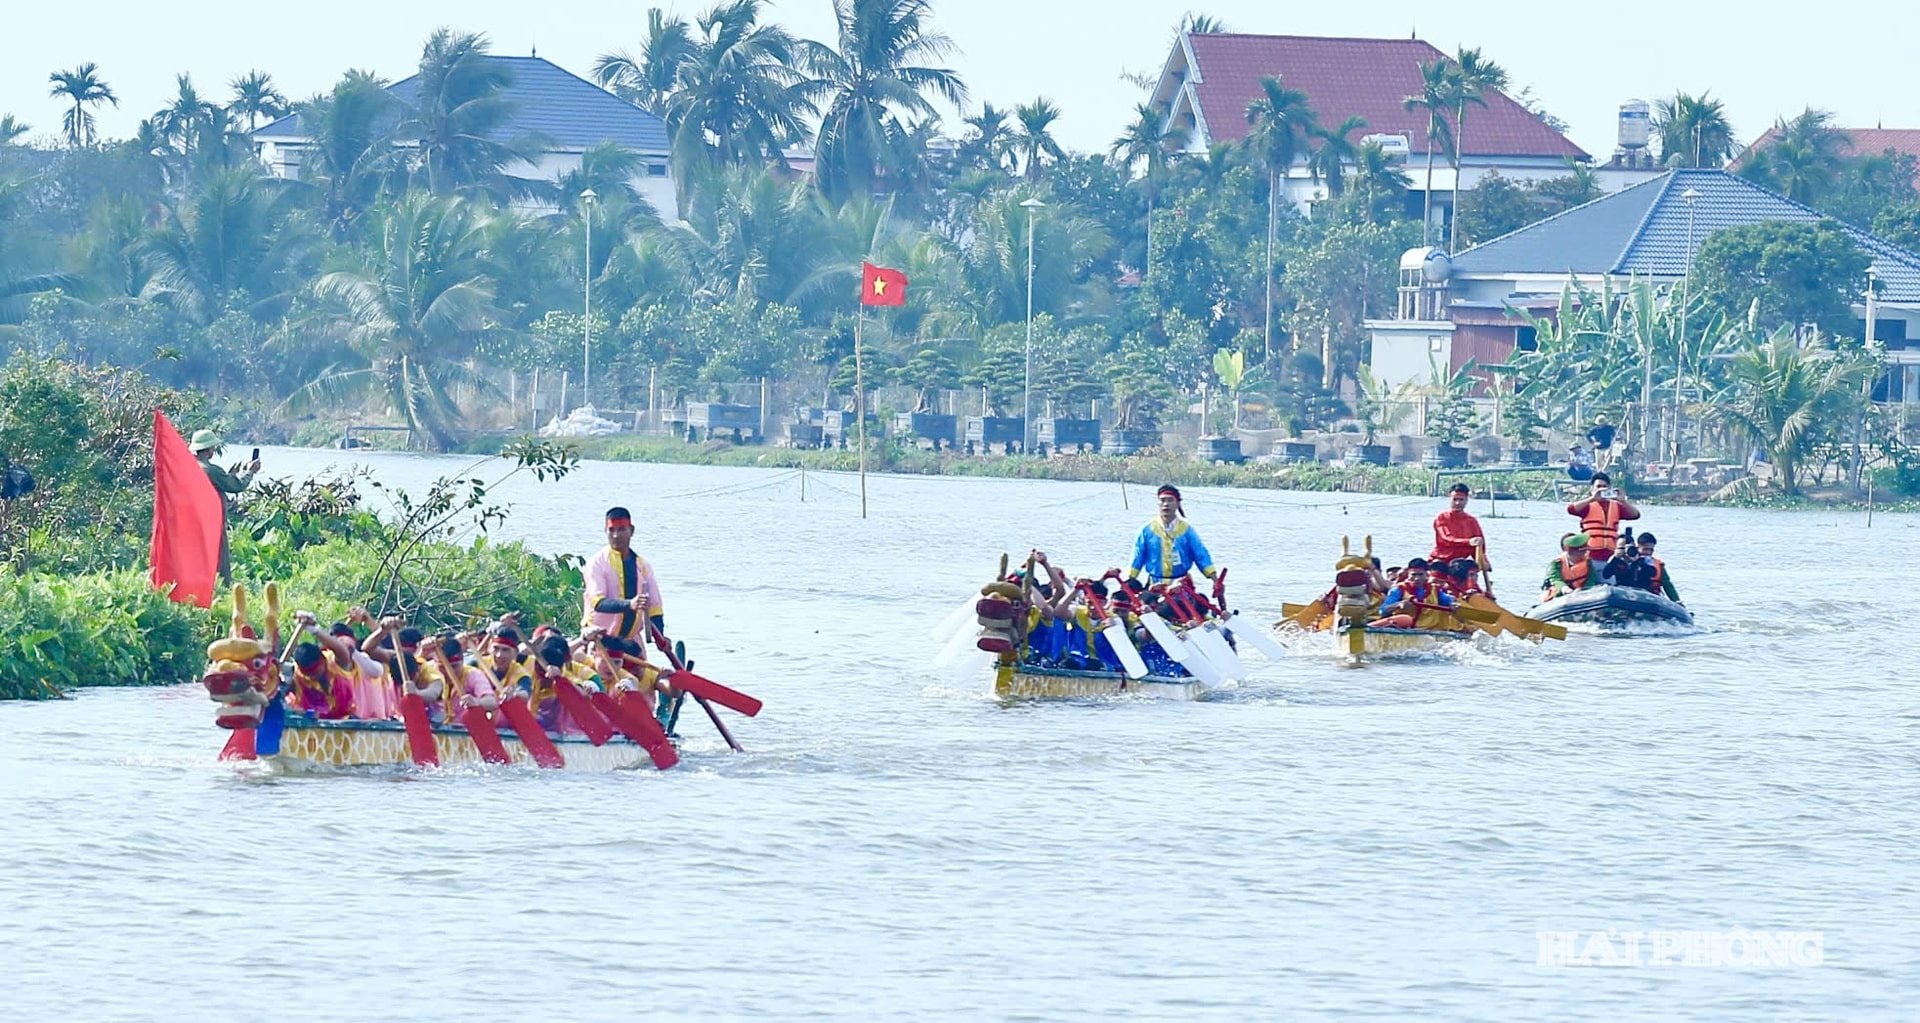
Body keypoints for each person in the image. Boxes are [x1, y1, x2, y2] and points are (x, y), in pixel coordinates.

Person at [583, 506, 665, 646]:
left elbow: (654, 609)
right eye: (611, 530)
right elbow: (598, 603)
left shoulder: (643, 566)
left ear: (631, 531)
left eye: (621, 529)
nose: (616, 535)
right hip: (599, 640)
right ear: (605, 531)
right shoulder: (596, 563)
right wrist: (630, 604)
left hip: (630, 641)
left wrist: (661, 639)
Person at [190, 430, 259, 583]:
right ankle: (221, 590)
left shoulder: (188, 467)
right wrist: (249, 472)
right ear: (210, 450)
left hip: (192, 523)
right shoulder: (210, 470)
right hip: (211, 523)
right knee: (220, 563)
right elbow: (236, 485)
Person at [1128, 484, 1219, 585]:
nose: (1166, 504)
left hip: (1181, 585)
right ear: (1158, 503)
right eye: (1162, 500)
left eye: (1170, 500)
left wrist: (1215, 579)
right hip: (1155, 584)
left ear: (1177, 504)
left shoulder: (1187, 531)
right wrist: (1129, 579)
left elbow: (1201, 555)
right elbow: (1137, 557)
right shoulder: (1147, 530)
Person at [1565, 472, 1640, 561]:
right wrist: (1592, 498)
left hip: (1611, 555)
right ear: (1592, 489)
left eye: (1604, 486)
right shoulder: (1588, 505)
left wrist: (1623, 501)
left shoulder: (1617, 506)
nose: (1602, 489)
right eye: (1598, 486)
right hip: (1590, 554)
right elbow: (1571, 509)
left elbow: (1635, 515)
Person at [1371, 558, 1457, 630]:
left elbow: (1450, 600)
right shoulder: (1398, 590)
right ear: (1408, 574)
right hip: (1406, 629)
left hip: (1430, 631)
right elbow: (1382, 611)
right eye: (1413, 575)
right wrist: (1397, 604)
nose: (1417, 578)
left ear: (1427, 575)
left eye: (1420, 575)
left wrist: (1452, 603)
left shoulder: (1436, 590)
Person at [1429, 482, 1487, 567]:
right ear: (1450, 498)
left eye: (1461, 500)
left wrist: (1483, 561)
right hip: (1441, 561)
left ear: (1467, 499)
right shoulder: (1441, 518)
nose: (1457, 503)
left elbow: (1479, 544)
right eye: (1455, 499)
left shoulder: (1472, 521)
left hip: (1460, 564)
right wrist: (1468, 542)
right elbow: (1446, 539)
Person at [1541, 533, 1601, 601]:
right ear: (1568, 550)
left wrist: (1584, 591)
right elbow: (1555, 579)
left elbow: (1591, 579)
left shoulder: (1588, 563)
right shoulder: (1557, 564)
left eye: (1585, 551)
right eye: (1581, 551)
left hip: (1583, 593)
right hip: (1562, 596)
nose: (1584, 553)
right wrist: (1564, 588)